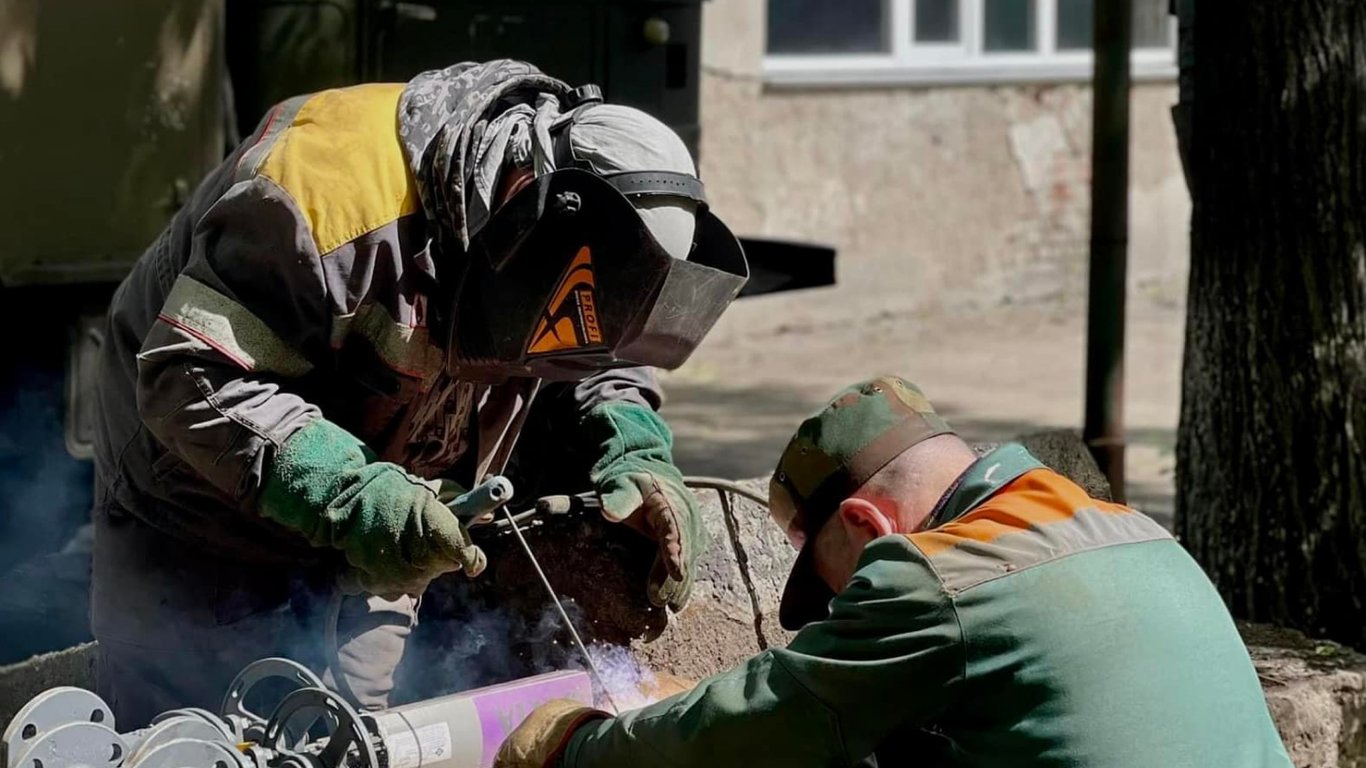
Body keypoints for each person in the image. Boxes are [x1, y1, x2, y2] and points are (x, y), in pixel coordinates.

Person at [90, 59, 747, 726]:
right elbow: (192, 378)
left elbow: (599, 357)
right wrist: (357, 497)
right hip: (204, 490)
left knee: (363, 726)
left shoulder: (549, 244)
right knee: (196, 726)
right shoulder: (323, 197)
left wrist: (634, 451)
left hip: (398, 488)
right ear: (526, 203)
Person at [498, 376, 1293, 767]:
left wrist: (578, 748)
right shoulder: (1136, 531)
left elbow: (761, 728)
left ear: (865, 525)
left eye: (833, 584)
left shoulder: (936, 574)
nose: (840, 607)